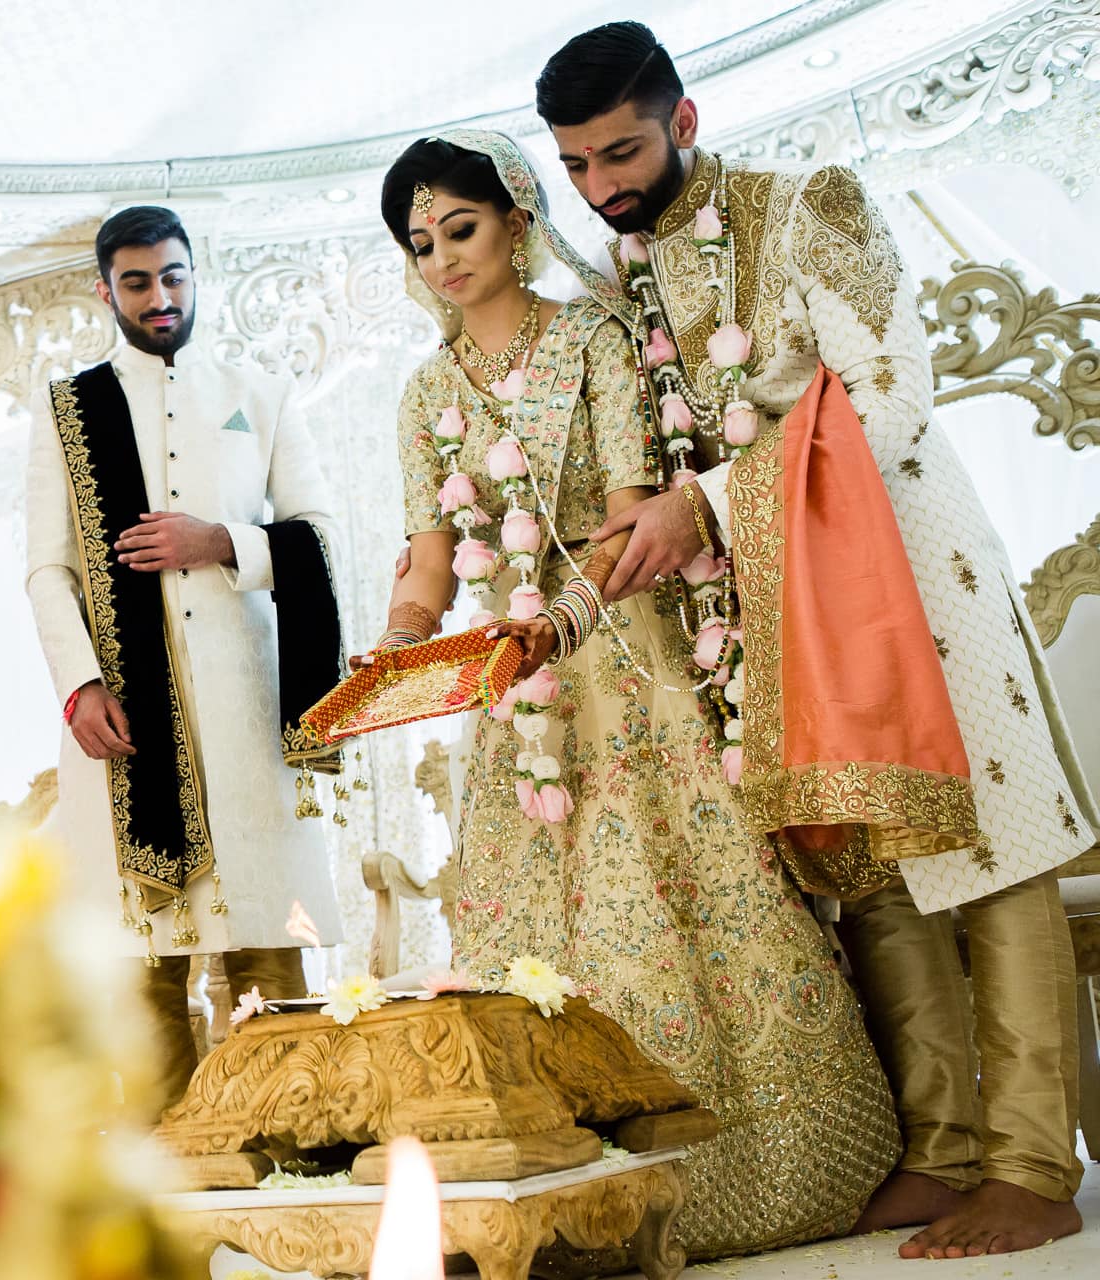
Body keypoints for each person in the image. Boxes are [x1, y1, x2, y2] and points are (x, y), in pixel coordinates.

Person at [535, 22, 1096, 1260]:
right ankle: (941, 1149)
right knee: (863, 861)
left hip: (908, 568)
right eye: (576, 165)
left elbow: (893, 390)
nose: (602, 187)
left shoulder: (806, 207)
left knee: (986, 848)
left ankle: (1032, 1163)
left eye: (621, 151)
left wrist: (708, 504)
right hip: (768, 602)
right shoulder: (627, 278)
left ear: (682, 122)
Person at [371, 129, 899, 1261]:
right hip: (518, 704)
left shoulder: (598, 340)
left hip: (624, 657)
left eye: (459, 229)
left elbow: (625, 514)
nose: (441, 259)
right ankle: (559, 1201)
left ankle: (753, 1182)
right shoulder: (422, 392)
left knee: (676, 897)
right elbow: (425, 559)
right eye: (420, 243)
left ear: (517, 220)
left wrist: (555, 621)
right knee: (522, 925)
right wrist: (396, 648)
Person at [24, 205, 346, 1108]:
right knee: (142, 980)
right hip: (127, 728)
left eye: (172, 276)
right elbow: (46, 568)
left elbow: (320, 534)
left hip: (248, 717)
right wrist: (77, 684)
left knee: (269, 962)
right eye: (136, 282)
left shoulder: (261, 394)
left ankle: (294, 1158)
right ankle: (170, 1196)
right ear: (105, 291)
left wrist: (222, 540)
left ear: (195, 275)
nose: (158, 297)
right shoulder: (68, 411)